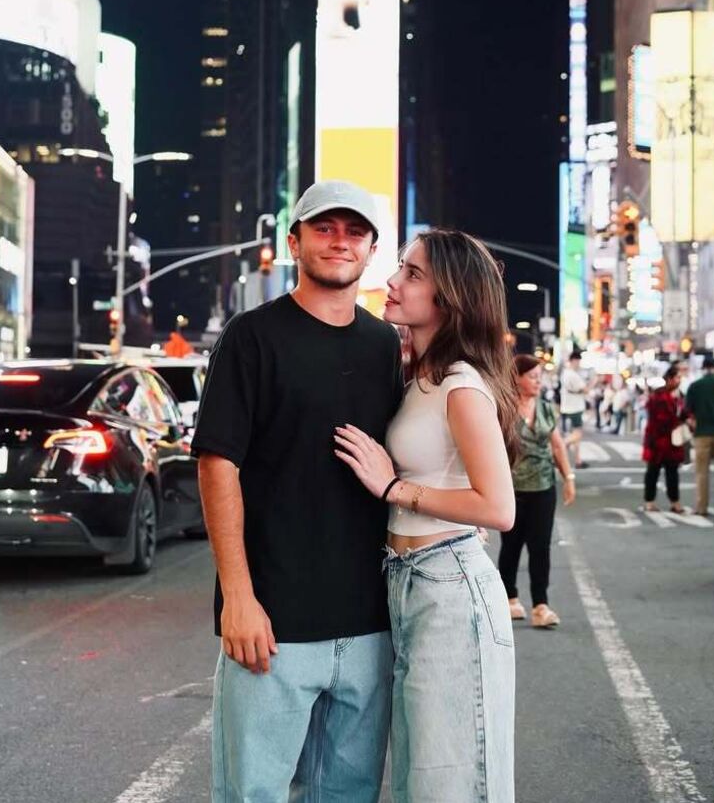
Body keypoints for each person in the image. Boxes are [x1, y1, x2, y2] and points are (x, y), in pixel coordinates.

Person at [192, 180, 405, 802]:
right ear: (295, 241)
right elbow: (217, 465)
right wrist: (238, 597)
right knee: (251, 793)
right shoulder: (251, 337)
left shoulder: (385, 347)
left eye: (354, 232)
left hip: (369, 624)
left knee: (348, 795)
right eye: (324, 229)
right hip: (272, 623)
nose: (339, 242)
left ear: (371, 253)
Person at [334, 229, 518, 802]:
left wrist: (395, 488)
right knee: (420, 777)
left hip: (449, 586)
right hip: (405, 582)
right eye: (400, 268)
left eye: (412, 274)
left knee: (453, 780)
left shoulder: (462, 386)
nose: (391, 282)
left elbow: (497, 508)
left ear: (450, 298)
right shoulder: (419, 377)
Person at [498, 354, 576, 627]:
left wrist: (568, 477)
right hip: (512, 487)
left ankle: (541, 605)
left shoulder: (545, 408)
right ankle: (509, 598)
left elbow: (557, 446)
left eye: (540, 377)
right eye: (532, 377)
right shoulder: (504, 408)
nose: (538, 382)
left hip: (543, 485)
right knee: (511, 545)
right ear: (517, 378)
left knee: (540, 546)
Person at [685, 355, 714, 516]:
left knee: (701, 472)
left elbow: (687, 411)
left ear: (703, 369)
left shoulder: (695, 386)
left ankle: (701, 507)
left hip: (702, 433)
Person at [642, 364, 687, 513]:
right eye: (677, 377)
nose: (679, 380)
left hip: (672, 441)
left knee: (672, 473)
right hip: (658, 440)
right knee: (653, 472)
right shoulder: (659, 396)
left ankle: (674, 501)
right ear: (669, 379)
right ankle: (650, 501)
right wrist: (678, 420)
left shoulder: (679, 396)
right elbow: (661, 418)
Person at [560, 350, 589, 469]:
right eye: (578, 361)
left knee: (575, 435)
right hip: (575, 407)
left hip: (567, 407)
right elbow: (586, 390)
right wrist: (595, 381)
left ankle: (578, 460)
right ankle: (560, 446)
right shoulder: (572, 374)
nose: (579, 364)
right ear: (574, 360)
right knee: (577, 434)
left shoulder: (565, 373)